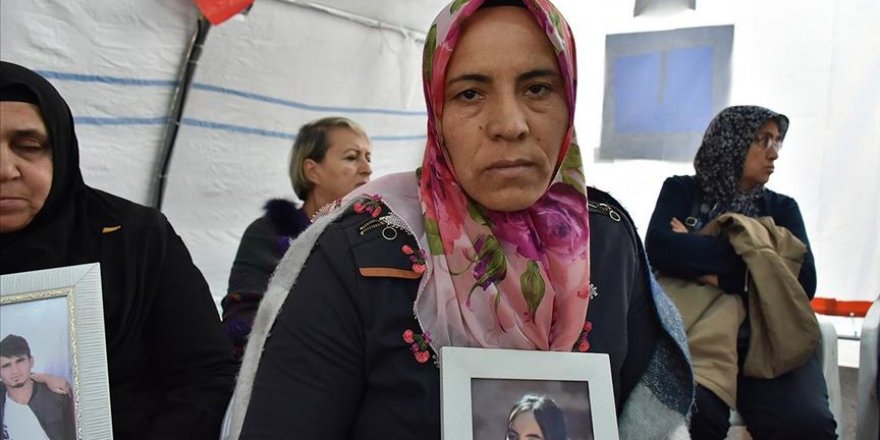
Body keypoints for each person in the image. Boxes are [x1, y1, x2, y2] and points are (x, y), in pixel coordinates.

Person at [224, 1, 693, 439]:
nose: (510, 124)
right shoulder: (356, 251)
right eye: (470, 93)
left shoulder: (606, 237)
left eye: (537, 88)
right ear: (438, 114)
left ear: (569, 98)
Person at [0, 62, 236, 440]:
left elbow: (204, 376)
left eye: (28, 147)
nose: (5, 169)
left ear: (62, 150)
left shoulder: (137, 239)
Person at [646, 105, 836, 439]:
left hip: (768, 335)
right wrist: (762, 266)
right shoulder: (681, 191)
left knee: (807, 425)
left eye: (777, 142)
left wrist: (698, 250)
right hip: (697, 332)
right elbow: (660, 248)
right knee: (691, 415)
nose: (773, 154)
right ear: (730, 142)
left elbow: (804, 281)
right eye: (763, 140)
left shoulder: (782, 209)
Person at [222, 116, 372, 360]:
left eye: (368, 157)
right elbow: (241, 323)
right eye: (352, 157)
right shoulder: (270, 233)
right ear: (312, 171)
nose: (367, 168)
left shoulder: (372, 237)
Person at [0, 335, 75, 440]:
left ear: (31, 362)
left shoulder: (56, 398)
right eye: (6, 365)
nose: (15, 370)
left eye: (20, 361)